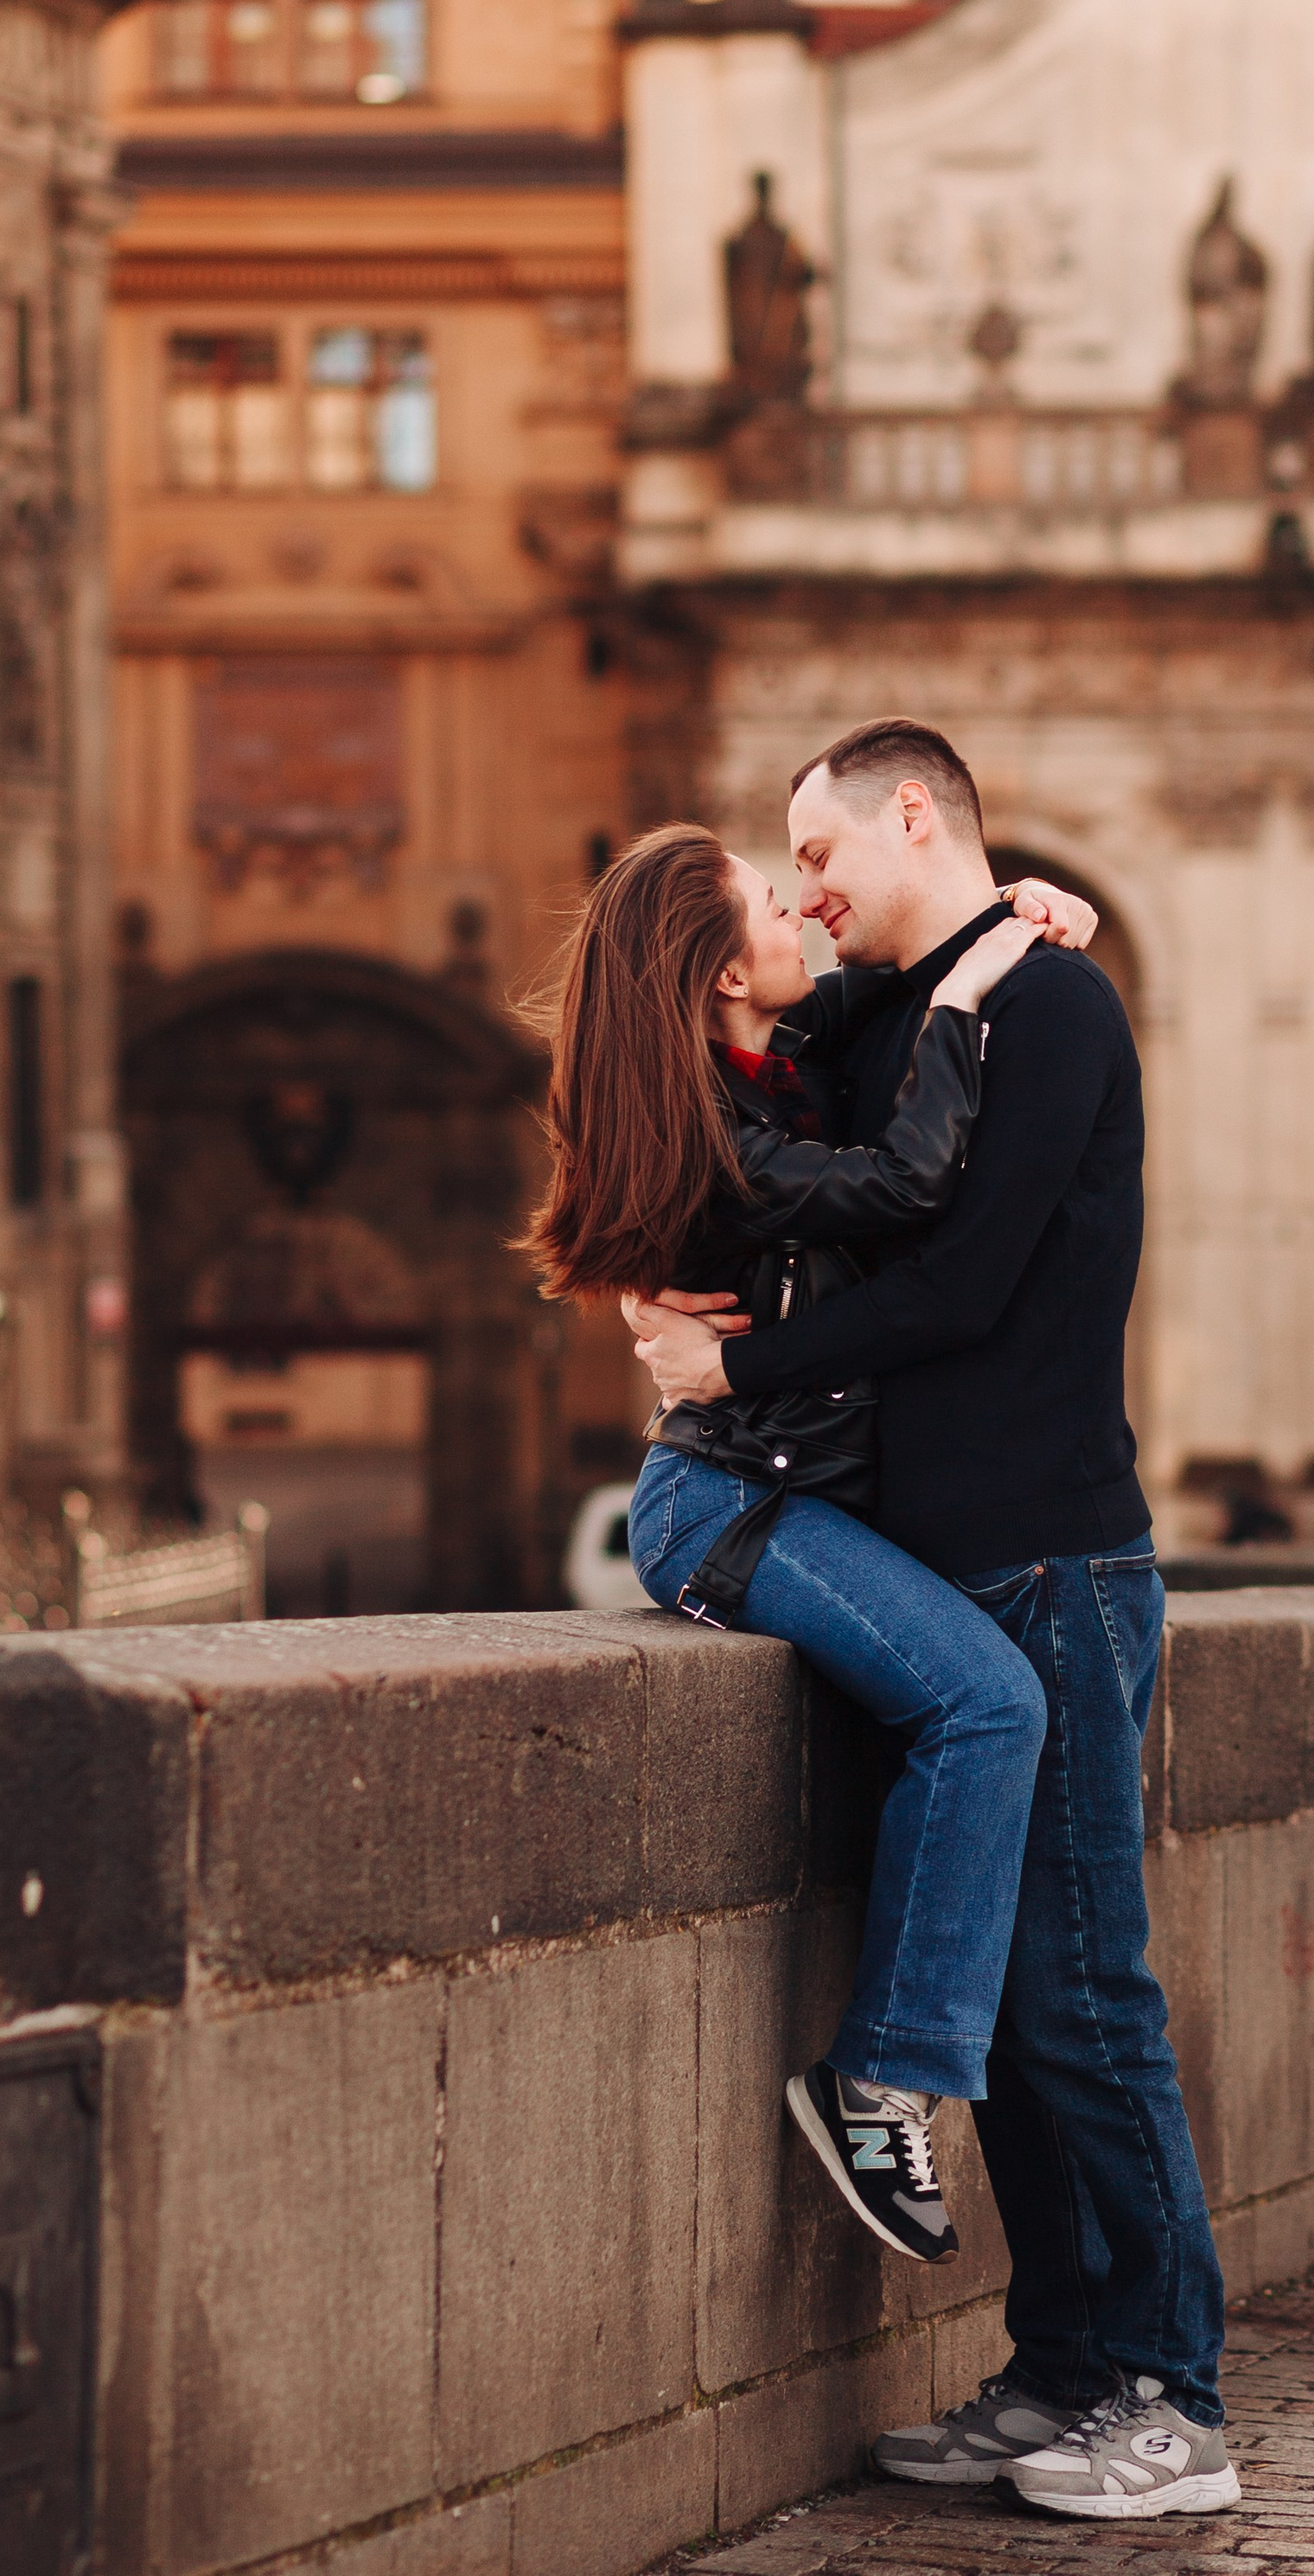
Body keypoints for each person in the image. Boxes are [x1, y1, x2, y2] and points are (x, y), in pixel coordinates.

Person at [630, 719, 1239, 2524]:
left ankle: (1174, 2399)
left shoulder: (1052, 1014)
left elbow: (965, 1283)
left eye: (816, 852)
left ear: (917, 816)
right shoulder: (903, 1008)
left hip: (1051, 1555)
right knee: (1030, 2006)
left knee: (1086, 2001)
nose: (801, 889)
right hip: (929, 1554)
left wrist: (735, 1360)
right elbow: (706, 1045)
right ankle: (1060, 2369)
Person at [522, 821, 1094, 2267]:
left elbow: (864, 992)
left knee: (974, 1706)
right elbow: (907, 1186)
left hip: (789, 1493)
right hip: (726, 1508)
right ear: (722, 972)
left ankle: (887, 2071)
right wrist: (969, 1010)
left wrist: (1001, 911)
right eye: (778, 902)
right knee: (988, 1703)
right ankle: (881, 2078)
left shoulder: (772, 1060)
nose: (806, 915)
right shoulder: (726, 1130)